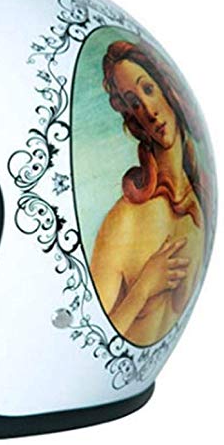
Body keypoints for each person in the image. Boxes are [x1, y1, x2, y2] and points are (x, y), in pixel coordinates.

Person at [90, 40, 205, 346]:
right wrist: (143, 289)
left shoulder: (198, 204)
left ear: (169, 91)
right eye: (134, 103)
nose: (149, 111)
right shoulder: (124, 221)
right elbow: (90, 340)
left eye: (149, 90)